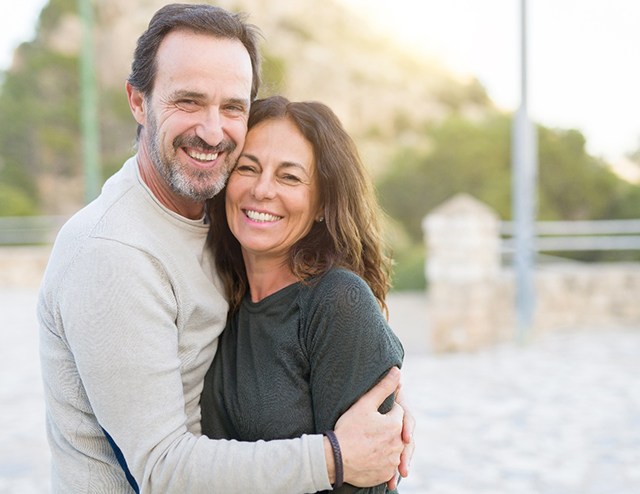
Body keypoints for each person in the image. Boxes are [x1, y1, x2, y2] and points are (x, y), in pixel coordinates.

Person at [37, 3, 413, 493]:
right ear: (137, 101)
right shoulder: (113, 251)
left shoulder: (215, 222)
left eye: (232, 107)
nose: (212, 131)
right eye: (188, 101)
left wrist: (379, 417)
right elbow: (163, 468)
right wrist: (336, 457)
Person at [200, 96, 405, 493]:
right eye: (248, 167)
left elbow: (369, 478)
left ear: (322, 205)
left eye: (289, 177)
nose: (261, 190)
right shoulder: (217, 291)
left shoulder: (338, 303)